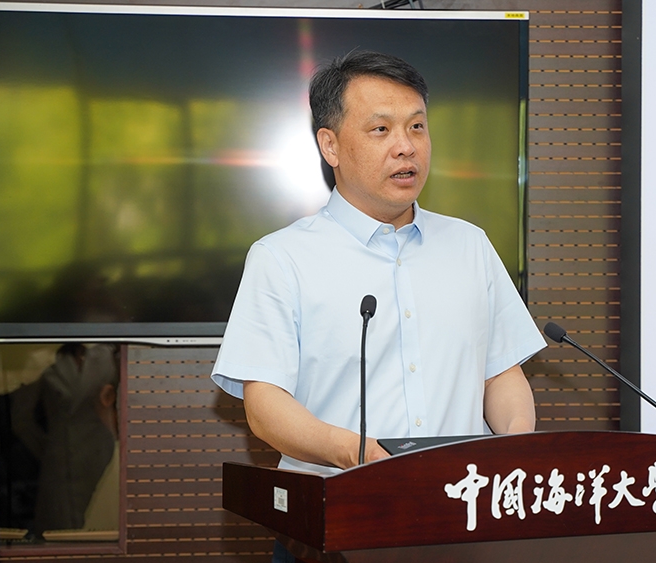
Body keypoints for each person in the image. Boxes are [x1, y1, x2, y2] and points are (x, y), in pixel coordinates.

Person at [211, 51, 545, 559]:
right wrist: (358, 453)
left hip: (461, 524)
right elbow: (265, 406)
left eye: (417, 127)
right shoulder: (281, 258)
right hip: (333, 526)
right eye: (381, 129)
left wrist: (515, 451)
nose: (405, 146)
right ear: (330, 145)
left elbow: (500, 375)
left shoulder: (470, 245)